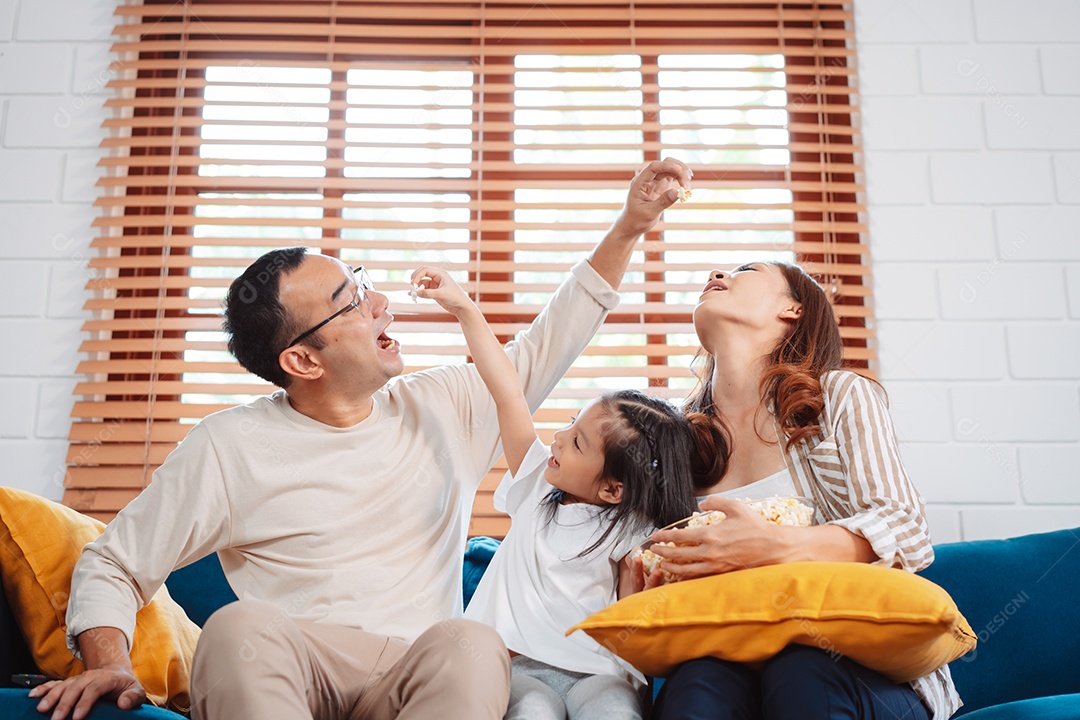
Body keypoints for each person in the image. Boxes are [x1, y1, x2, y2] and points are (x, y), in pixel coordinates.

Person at [29, 158, 693, 720]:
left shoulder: (444, 404)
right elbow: (113, 562)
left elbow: (548, 344)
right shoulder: (228, 447)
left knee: (471, 643)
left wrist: (631, 225)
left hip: (416, 672)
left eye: (367, 285)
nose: (383, 306)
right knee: (233, 628)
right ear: (303, 361)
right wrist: (109, 663)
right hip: (295, 668)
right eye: (353, 302)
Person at [642, 261, 960, 720]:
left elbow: (905, 526)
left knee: (803, 671)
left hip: (857, 669)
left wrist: (774, 546)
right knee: (696, 684)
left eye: (745, 269)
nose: (716, 273)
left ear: (792, 308)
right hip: (728, 655)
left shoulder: (838, 396)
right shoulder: (678, 442)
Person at [414, 266, 698, 719]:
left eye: (578, 441)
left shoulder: (633, 530)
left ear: (612, 489)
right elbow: (508, 394)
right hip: (517, 668)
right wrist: (465, 309)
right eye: (570, 423)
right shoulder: (535, 488)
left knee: (614, 713)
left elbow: (636, 615)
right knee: (533, 713)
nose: (559, 438)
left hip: (599, 673)